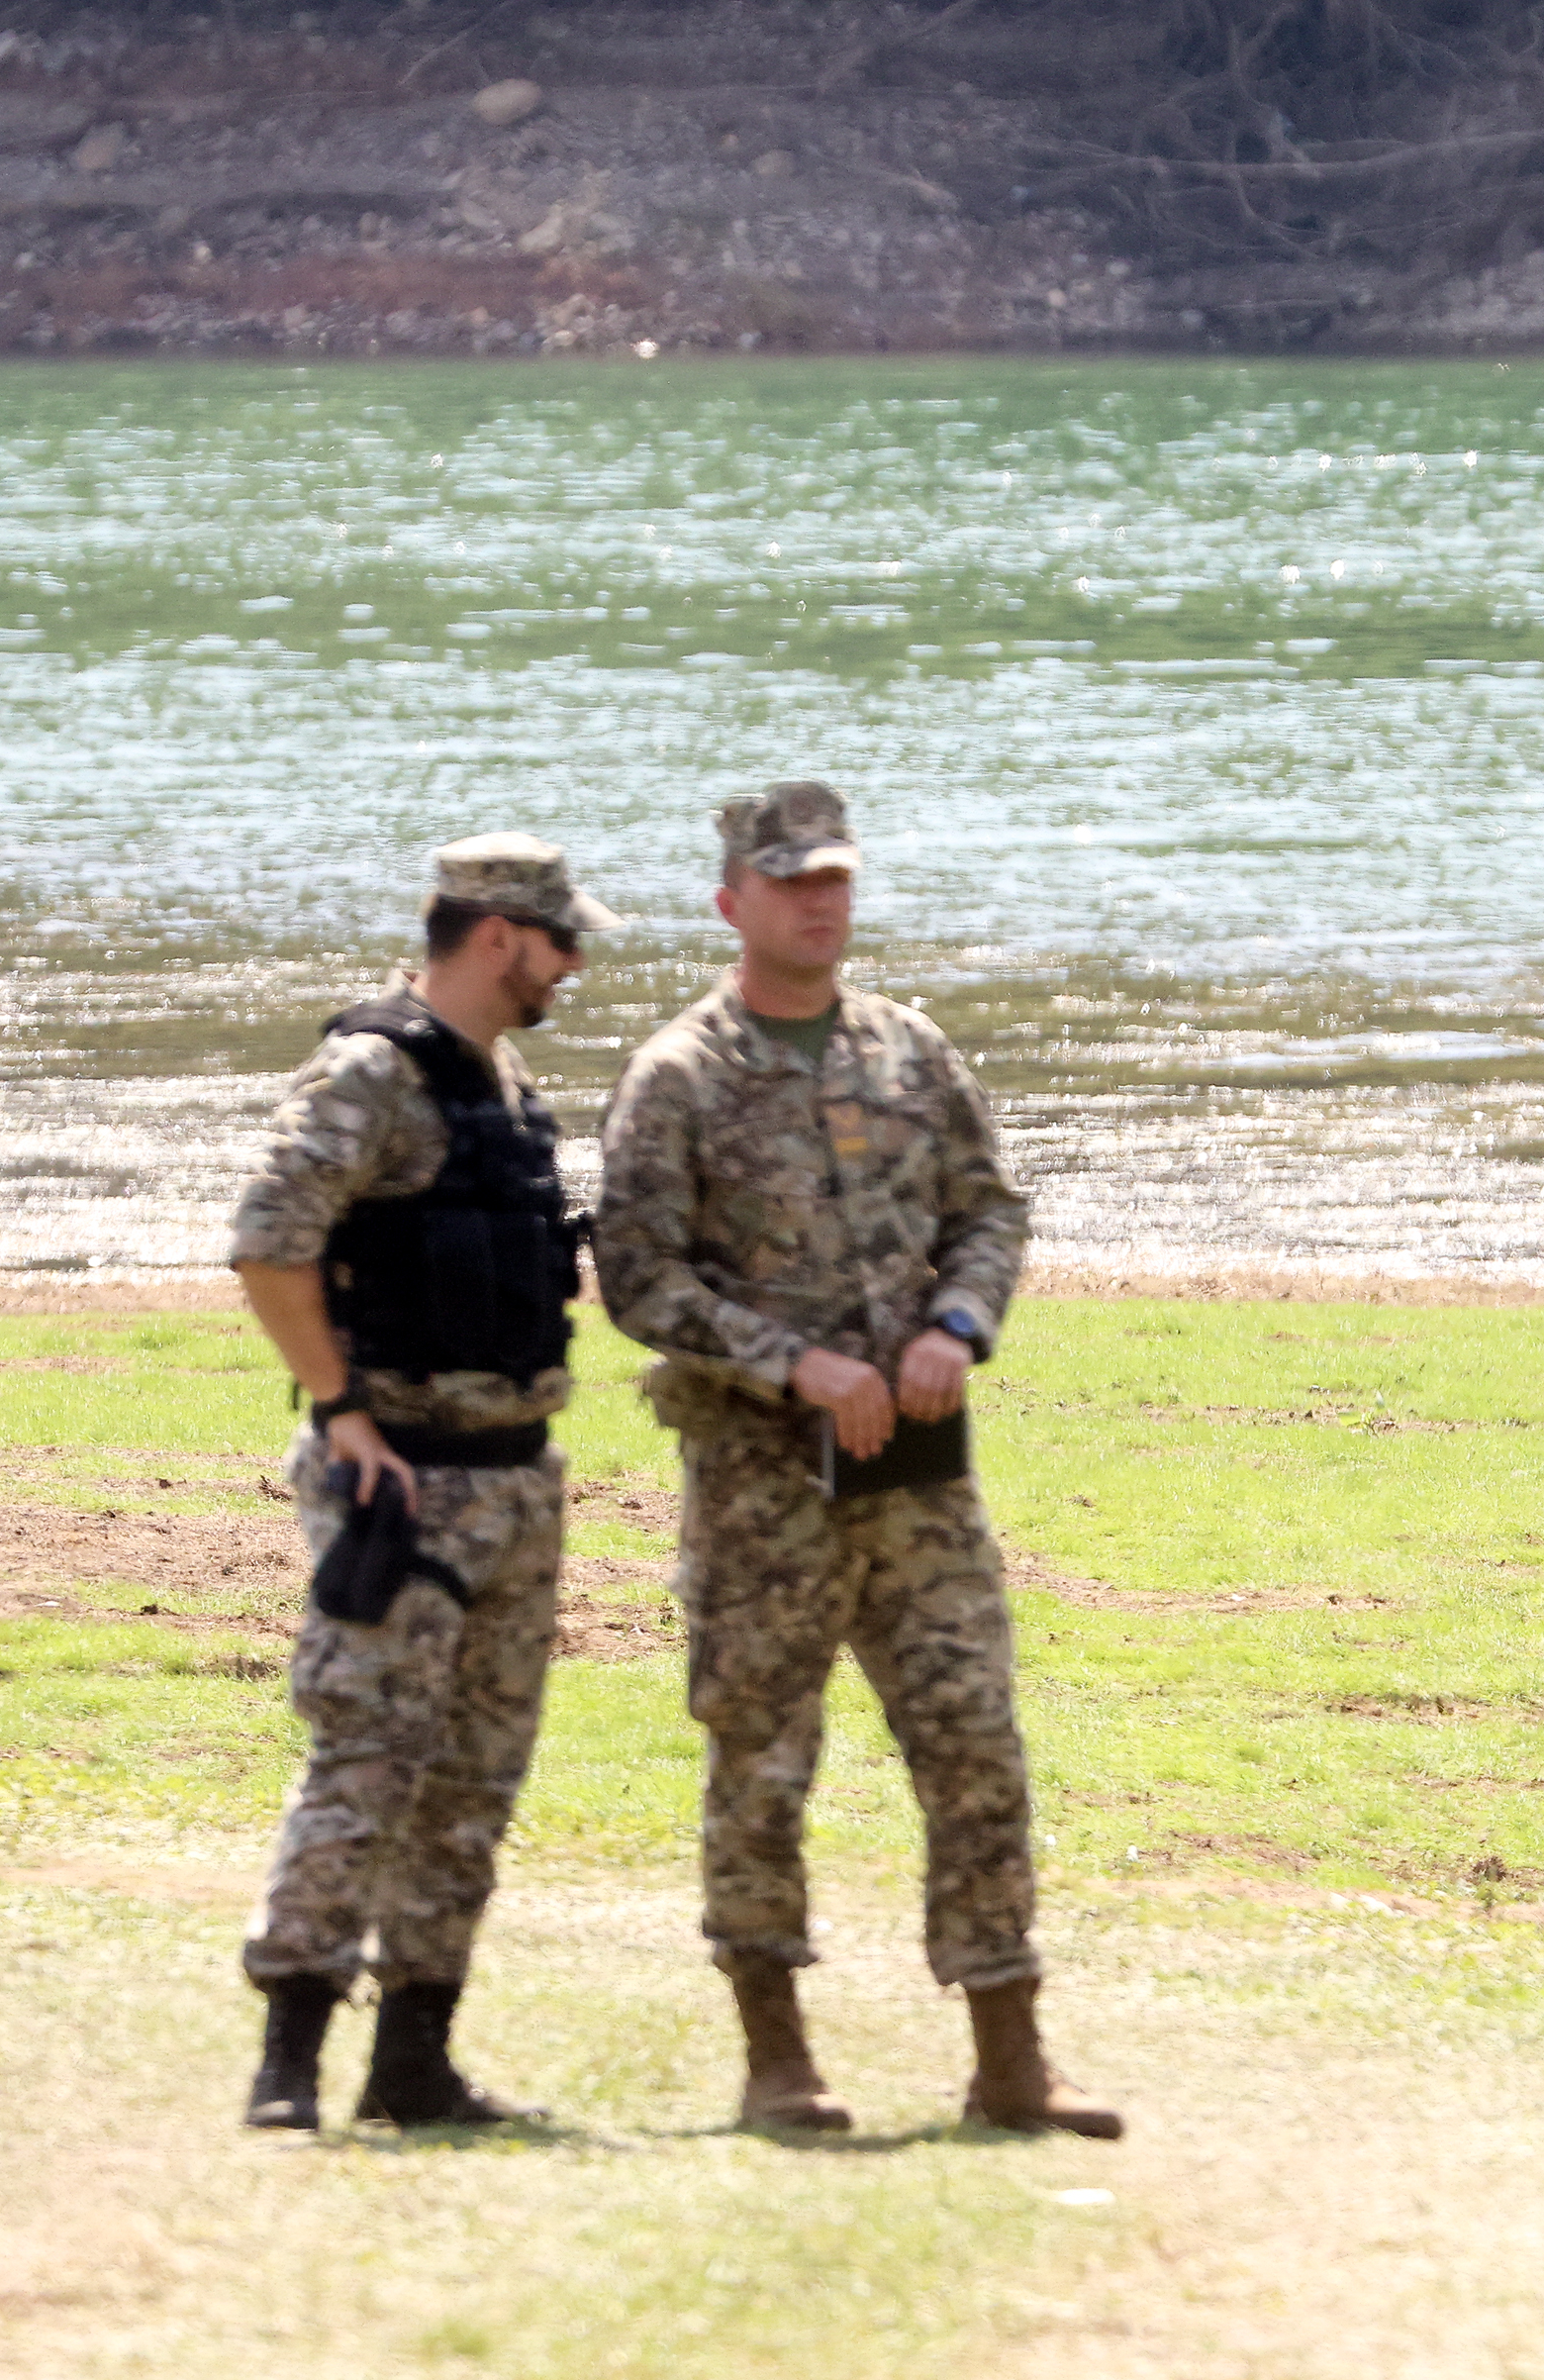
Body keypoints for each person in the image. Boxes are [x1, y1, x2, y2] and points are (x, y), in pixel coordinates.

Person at [595, 779, 1118, 2138]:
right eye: (789, 881)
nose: (819, 900)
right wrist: (790, 1359)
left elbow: (989, 1210)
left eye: (834, 877)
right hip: (765, 1481)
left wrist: (960, 1319)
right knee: (763, 1756)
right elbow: (638, 1275)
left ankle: (1012, 2053)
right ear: (732, 901)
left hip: (920, 1479)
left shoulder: (908, 1051)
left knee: (975, 1743)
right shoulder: (681, 1074)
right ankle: (777, 2057)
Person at [231, 833, 617, 2131]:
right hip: (401, 1479)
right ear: (501, 933)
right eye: (564, 940)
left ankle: (414, 2059)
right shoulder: (373, 1071)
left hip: (516, 1479)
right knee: (370, 1757)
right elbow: (267, 1237)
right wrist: (341, 1410)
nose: (575, 964)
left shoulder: (504, 1085)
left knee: (474, 1777)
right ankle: (288, 2056)